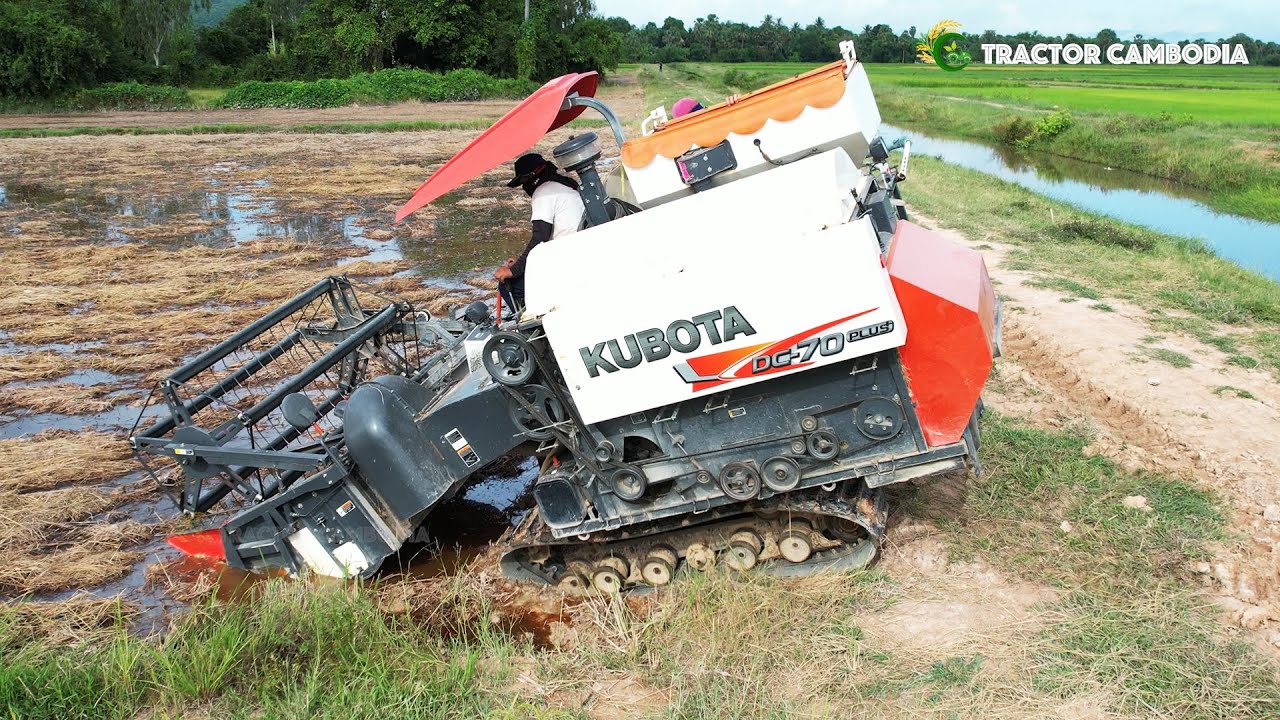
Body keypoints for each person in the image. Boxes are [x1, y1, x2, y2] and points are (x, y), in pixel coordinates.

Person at [494, 153, 585, 312]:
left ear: (531, 176)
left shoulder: (543, 192)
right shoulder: (565, 185)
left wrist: (513, 270)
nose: (523, 187)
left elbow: (540, 238)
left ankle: (532, 328)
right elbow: (549, 237)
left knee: (510, 286)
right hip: (575, 250)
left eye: (522, 181)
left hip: (567, 260)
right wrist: (523, 261)